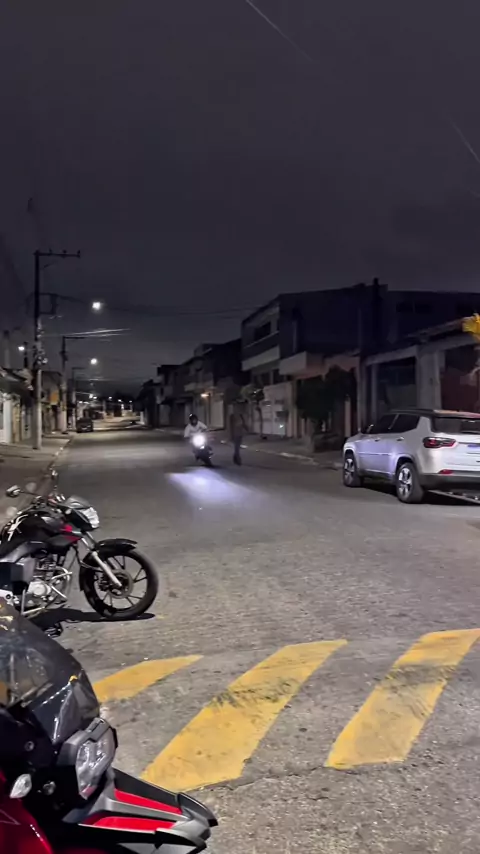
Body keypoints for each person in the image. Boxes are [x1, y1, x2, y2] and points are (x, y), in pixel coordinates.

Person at [228, 400, 248, 465]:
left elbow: (243, 423)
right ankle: (238, 459)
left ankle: (235, 457)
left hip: (240, 433)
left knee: (237, 447)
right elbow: (230, 426)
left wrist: (246, 429)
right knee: (236, 447)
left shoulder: (240, 415)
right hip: (235, 433)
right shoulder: (232, 416)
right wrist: (231, 435)